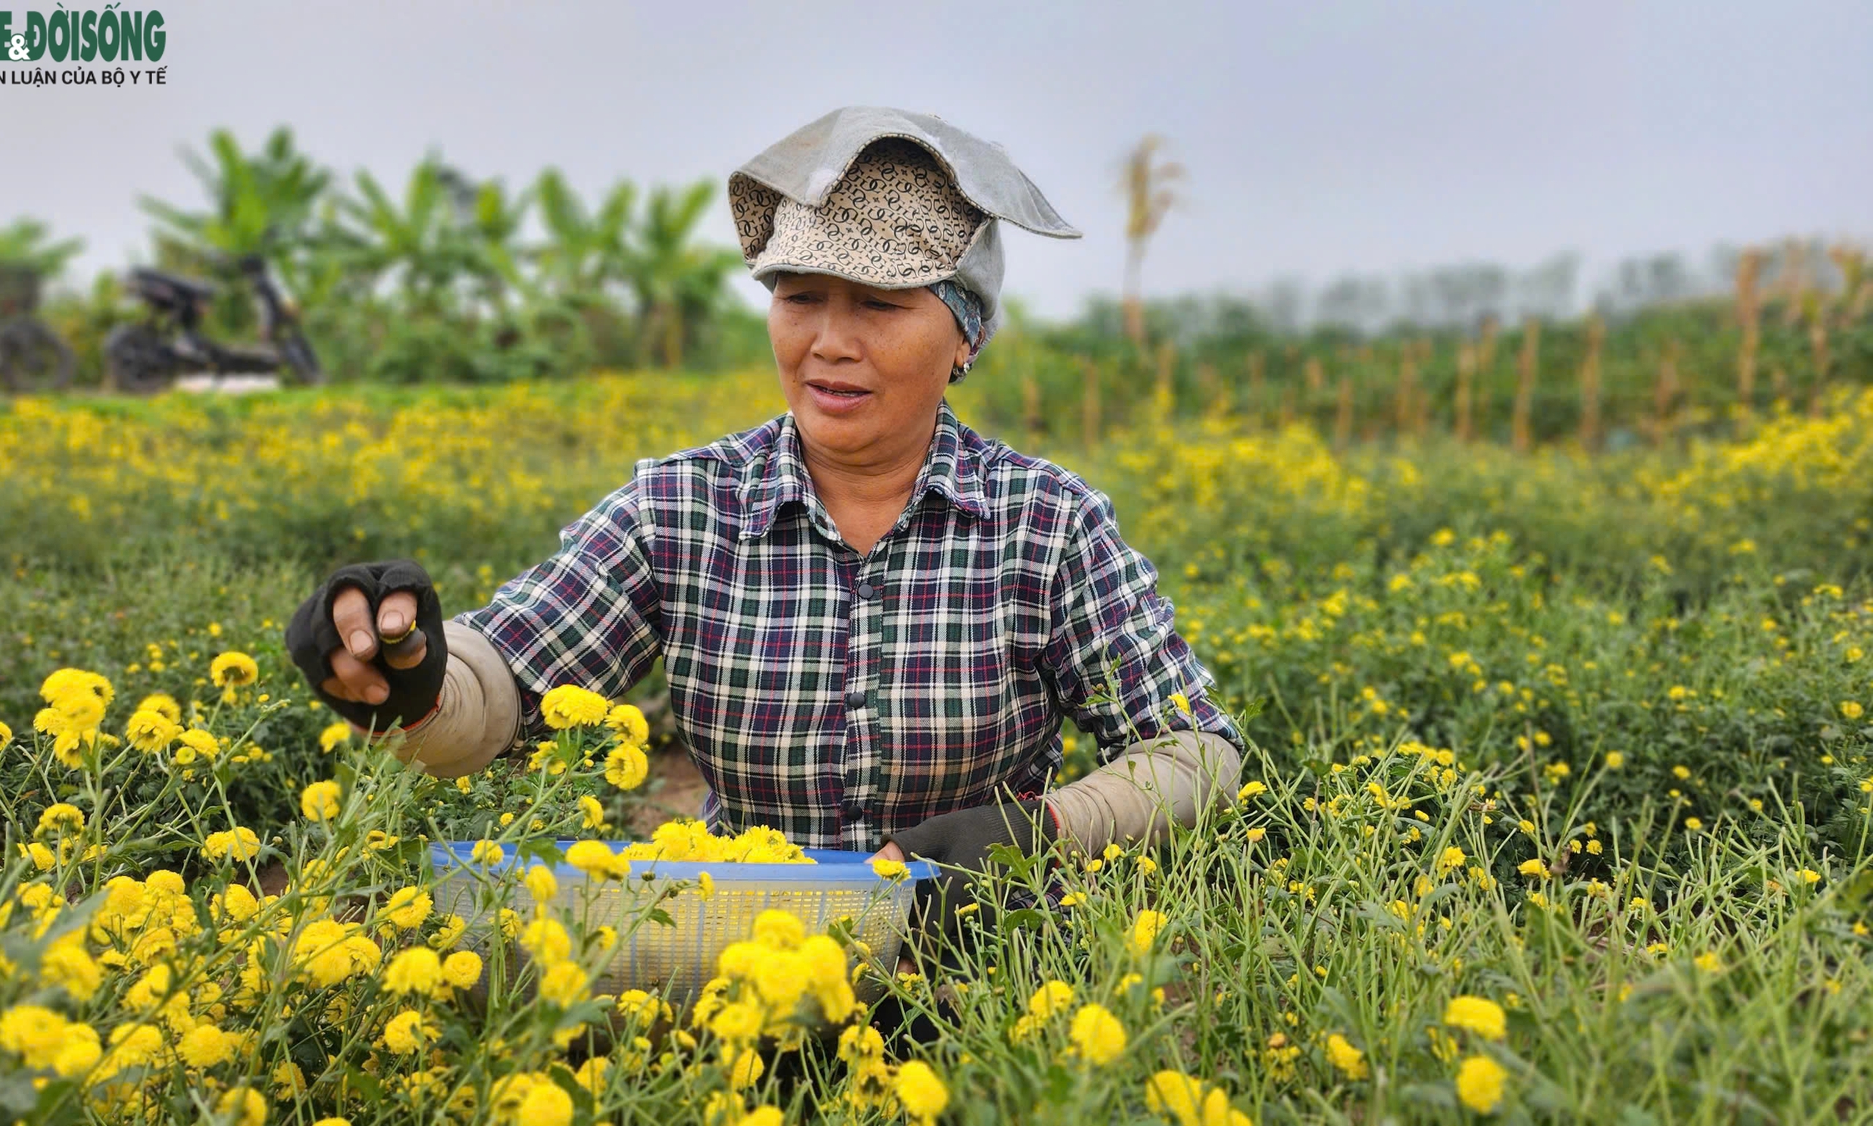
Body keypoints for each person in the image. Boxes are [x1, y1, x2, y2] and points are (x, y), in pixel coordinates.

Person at [285, 106, 1245, 951]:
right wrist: (405, 675)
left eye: (879, 305)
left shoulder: (1046, 524)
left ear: (965, 336)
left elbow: (1197, 749)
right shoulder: (682, 509)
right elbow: (494, 697)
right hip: (735, 956)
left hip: (985, 968)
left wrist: (1038, 832)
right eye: (800, 298)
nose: (831, 341)